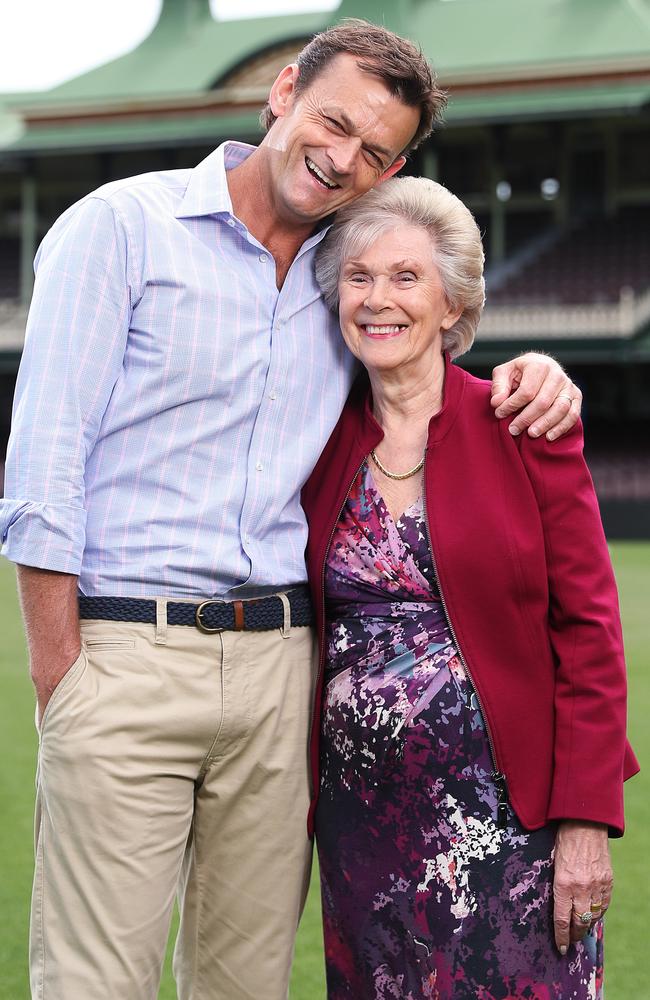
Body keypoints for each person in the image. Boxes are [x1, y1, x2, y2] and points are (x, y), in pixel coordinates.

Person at [0, 20, 583, 1000]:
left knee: (247, 983)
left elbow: (421, 371)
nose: (343, 157)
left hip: (281, 676)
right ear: (283, 92)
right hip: (125, 657)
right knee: (97, 983)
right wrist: (64, 682)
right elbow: (42, 464)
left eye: (375, 151)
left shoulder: (340, 278)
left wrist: (537, 375)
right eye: (333, 121)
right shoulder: (119, 228)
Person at [302, 175, 639, 999]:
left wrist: (586, 822)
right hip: (364, 831)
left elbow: (590, 635)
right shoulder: (313, 440)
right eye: (359, 278)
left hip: (511, 830)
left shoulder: (524, 424)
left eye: (406, 278)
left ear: (453, 305)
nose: (378, 300)